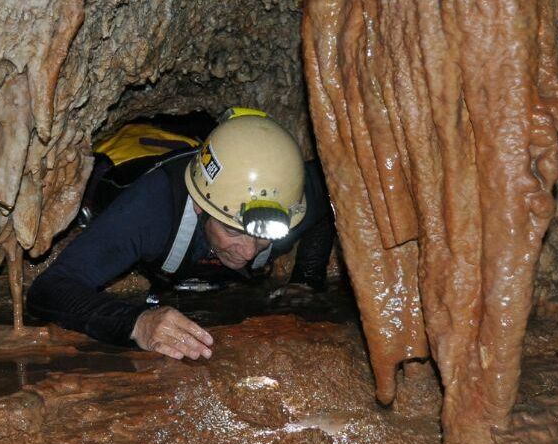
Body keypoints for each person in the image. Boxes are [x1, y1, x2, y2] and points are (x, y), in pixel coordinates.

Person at [27, 109, 335, 360]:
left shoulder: (294, 194)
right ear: (201, 208)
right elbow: (49, 290)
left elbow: (332, 203)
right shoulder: (154, 210)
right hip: (130, 162)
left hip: (194, 143)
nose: (249, 252)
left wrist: (306, 279)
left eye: (264, 235)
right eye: (232, 230)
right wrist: (136, 323)